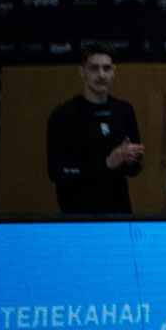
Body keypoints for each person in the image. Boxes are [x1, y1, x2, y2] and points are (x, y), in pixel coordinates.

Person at [46, 42, 144, 214]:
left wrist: (132, 159)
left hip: (118, 211)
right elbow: (57, 172)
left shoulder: (123, 110)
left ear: (114, 71)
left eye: (107, 68)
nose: (101, 74)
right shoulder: (64, 115)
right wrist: (107, 163)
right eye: (94, 68)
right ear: (82, 71)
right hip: (78, 212)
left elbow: (133, 170)